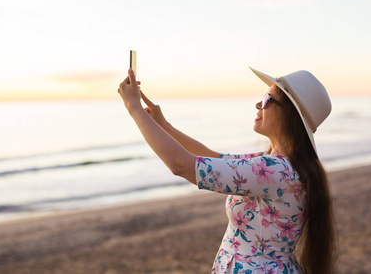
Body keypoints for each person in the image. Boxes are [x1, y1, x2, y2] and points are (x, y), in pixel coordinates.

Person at [118, 67, 337, 274]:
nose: (258, 105)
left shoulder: (275, 170)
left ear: (289, 115)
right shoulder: (275, 164)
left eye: (268, 100)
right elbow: (212, 157)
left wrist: (134, 108)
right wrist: (163, 125)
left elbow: (181, 165)